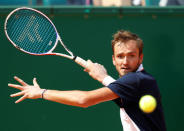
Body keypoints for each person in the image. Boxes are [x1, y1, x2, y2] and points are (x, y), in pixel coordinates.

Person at [8, 30, 166, 131]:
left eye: (131, 55)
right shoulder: (140, 81)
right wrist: (102, 77)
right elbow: (122, 94)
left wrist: (41, 92)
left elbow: (83, 100)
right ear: (113, 59)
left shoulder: (136, 80)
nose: (125, 61)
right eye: (120, 56)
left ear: (141, 58)